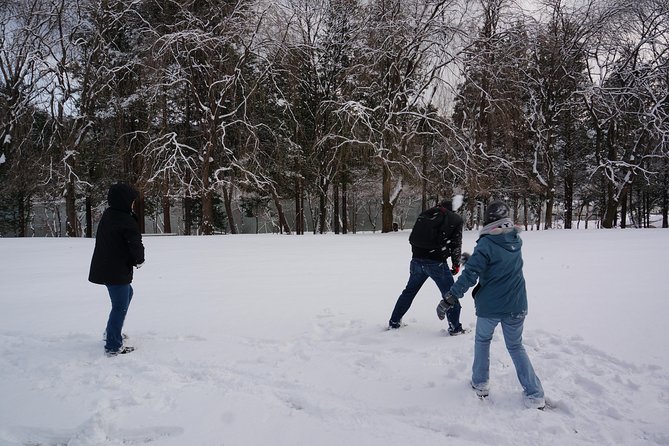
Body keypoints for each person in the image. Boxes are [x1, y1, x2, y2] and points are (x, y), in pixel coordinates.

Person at [437, 201, 545, 409]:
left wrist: (450, 298)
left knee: (483, 340)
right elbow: (498, 265)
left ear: (489, 219)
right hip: (517, 304)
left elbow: (470, 276)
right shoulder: (515, 240)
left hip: (491, 306)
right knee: (515, 346)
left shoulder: (486, 244)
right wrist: (474, 260)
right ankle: (535, 393)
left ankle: (480, 383)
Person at [389, 199, 465, 334]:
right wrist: (456, 264)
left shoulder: (426, 214)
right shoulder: (455, 219)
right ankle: (455, 328)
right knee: (451, 295)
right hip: (437, 262)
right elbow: (456, 244)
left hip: (417, 260)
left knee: (409, 292)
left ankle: (394, 322)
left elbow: (414, 237)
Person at [89, 183, 145, 356]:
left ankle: (111, 333)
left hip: (107, 266)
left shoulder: (110, 214)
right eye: (132, 201)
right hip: (115, 269)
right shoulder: (125, 219)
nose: (133, 204)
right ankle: (113, 345)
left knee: (128, 294)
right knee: (120, 305)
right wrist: (139, 260)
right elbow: (134, 243)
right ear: (124, 201)